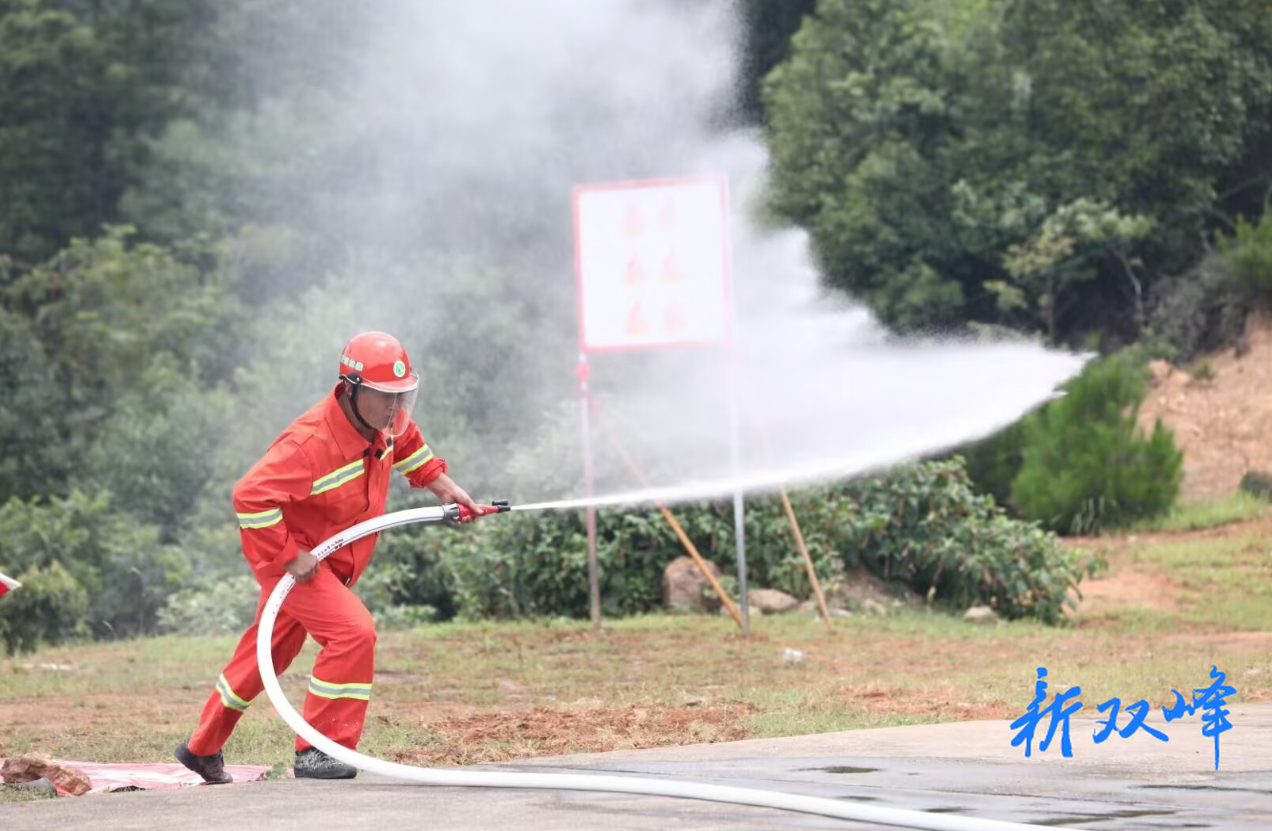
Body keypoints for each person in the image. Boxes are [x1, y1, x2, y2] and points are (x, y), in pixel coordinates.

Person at [175, 331, 487, 782]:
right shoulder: (310, 444)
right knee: (353, 633)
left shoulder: (383, 424)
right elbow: (249, 497)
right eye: (386, 397)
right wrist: (289, 556)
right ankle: (320, 750)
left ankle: (201, 748)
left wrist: (447, 489)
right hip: (295, 563)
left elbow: (407, 444)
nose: (395, 409)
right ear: (353, 388)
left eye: (403, 397)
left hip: (323, 562)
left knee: (266, 654)